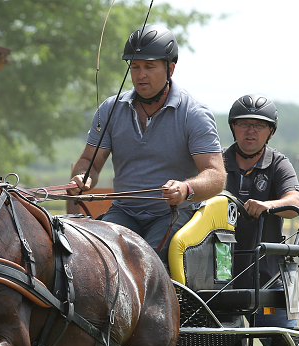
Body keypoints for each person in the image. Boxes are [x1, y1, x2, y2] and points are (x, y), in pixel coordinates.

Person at [68, 25, 225, 261]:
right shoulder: (111, 109)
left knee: (143, 264)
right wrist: (84, 177)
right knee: (92, 258)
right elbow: (89, 161)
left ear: (170, 68)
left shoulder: (194, 113)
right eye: (135, 67)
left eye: (149, 66)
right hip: (124, 212)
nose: (141, 74)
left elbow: (216, 175)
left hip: (172, 214)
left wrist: (186, 189)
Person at [223, 94, 299, 328]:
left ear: (271, 131)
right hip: (220, 281)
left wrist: (267, 206)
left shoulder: (279, 163)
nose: (251, 131)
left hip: (272, 279)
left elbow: (295, 204)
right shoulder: (217, 162)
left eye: (259, 125)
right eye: (243, 124)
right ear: (233, 127)